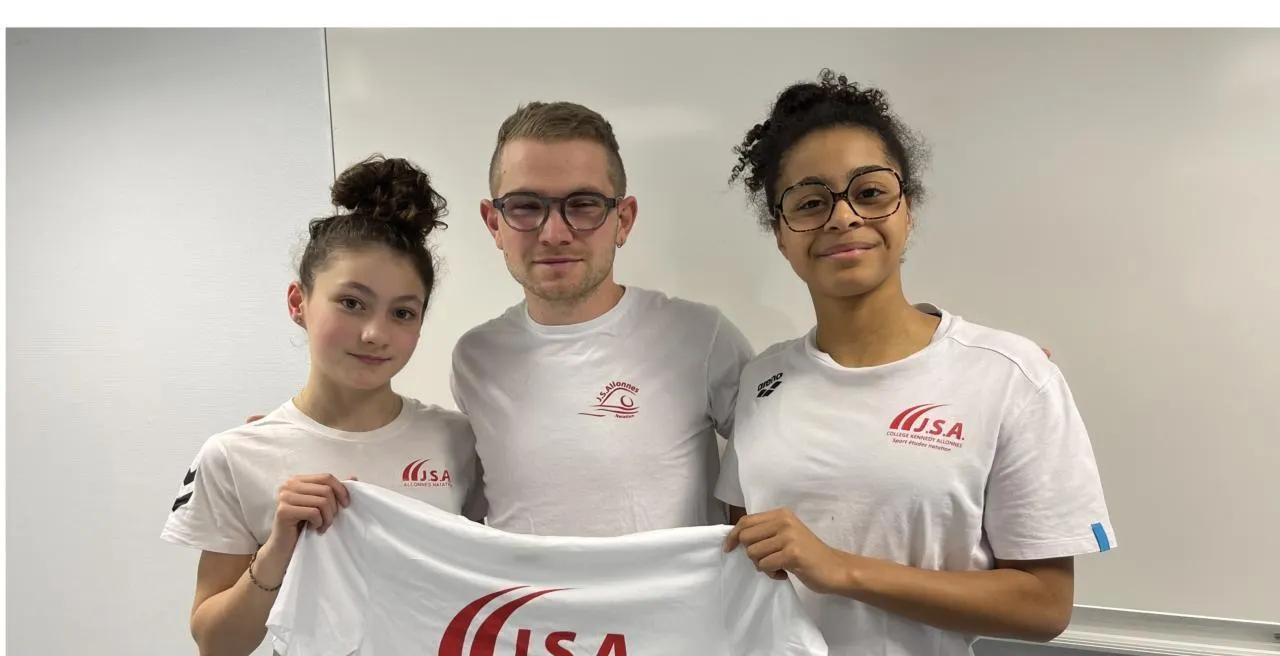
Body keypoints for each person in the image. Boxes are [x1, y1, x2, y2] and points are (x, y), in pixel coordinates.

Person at [716, 70, 1115, 656]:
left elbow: (1045, 606)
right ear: (781, 234)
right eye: (810, 202)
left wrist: (843, 569)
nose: (842, 218)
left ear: (909, 211)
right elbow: (740, 555)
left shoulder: (1011, 376)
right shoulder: (762, 381)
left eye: (870, 193)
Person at [160, 155, 484, 656]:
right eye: (352, 303)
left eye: (402, 312)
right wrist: (279, 548)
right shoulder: (235, 456)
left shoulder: (459, 441)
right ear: (298, 303)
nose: (375, 333)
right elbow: (217, 644)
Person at [448, 101, 757, 537]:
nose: (554, 233)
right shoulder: (474, 358)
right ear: (494, 222)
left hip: (681, 587)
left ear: (623, 220)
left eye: (584, 204)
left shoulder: (701, 338)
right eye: (525, 206)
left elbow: (768, 482)